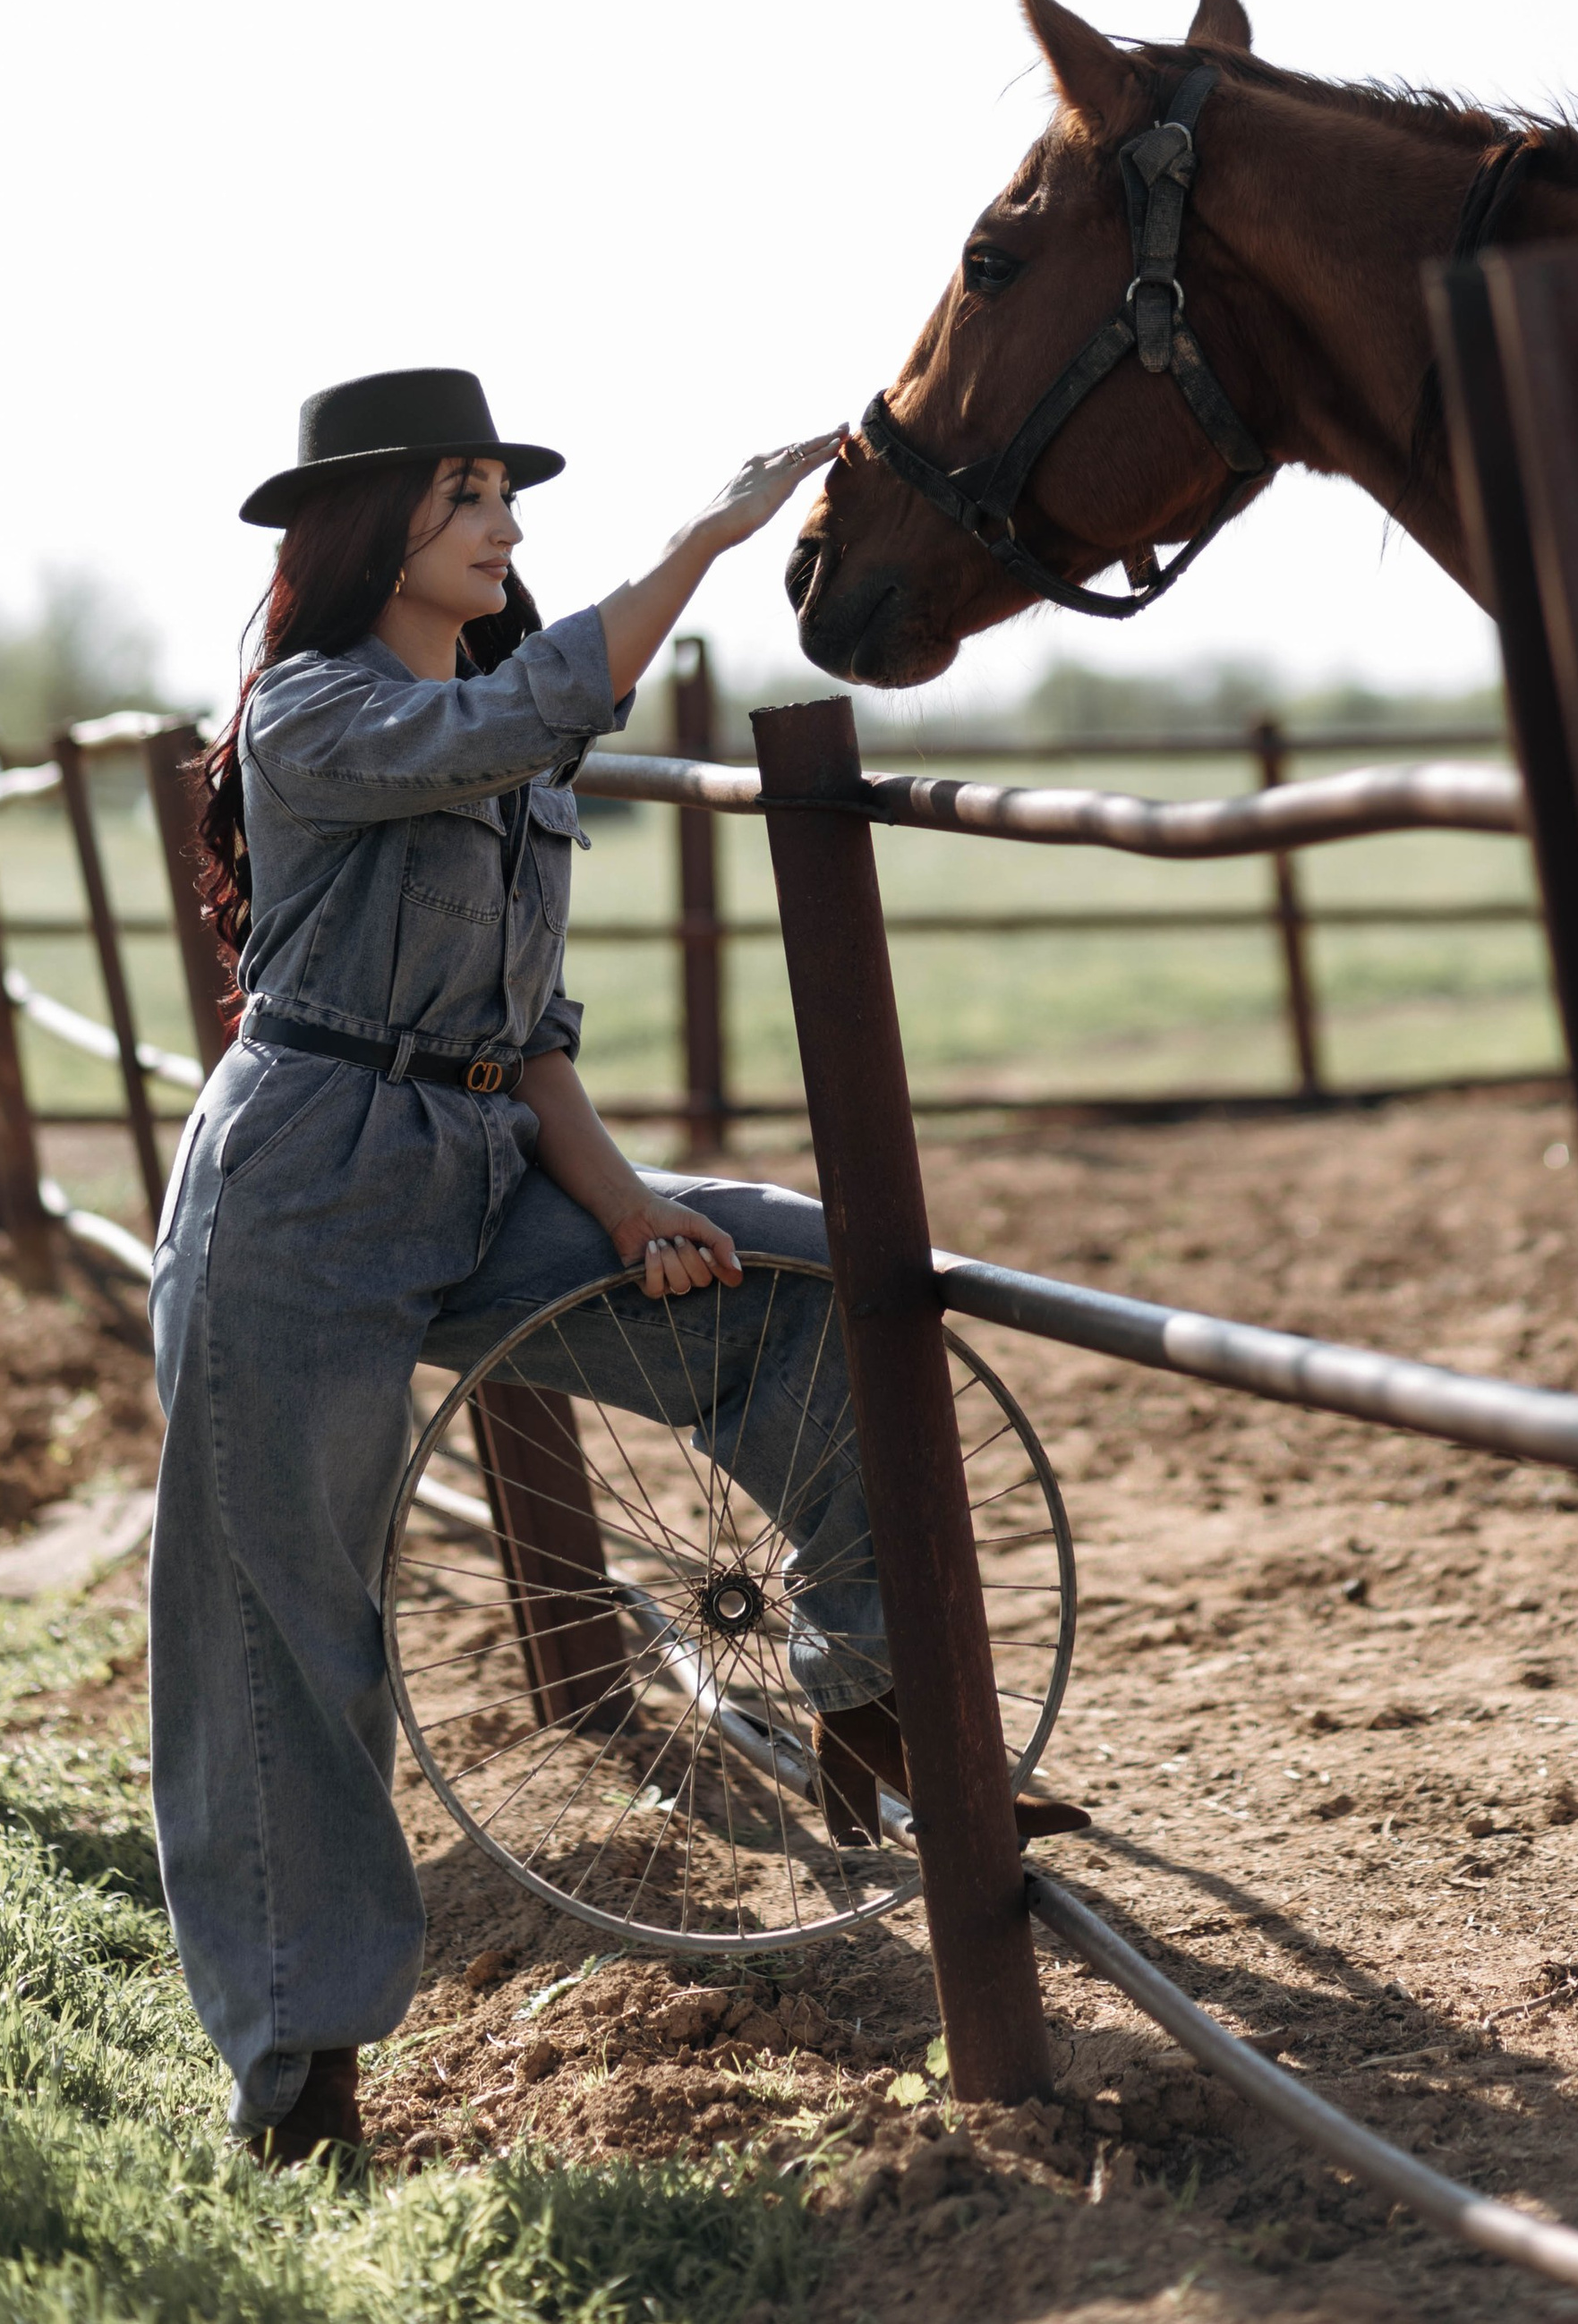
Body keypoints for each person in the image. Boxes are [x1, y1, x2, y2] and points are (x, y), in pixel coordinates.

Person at [151, 366, 1064, 2174]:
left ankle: (868, 1703)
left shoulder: (494, 723)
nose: (502, 522)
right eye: (466, 494)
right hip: (303, 1192)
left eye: (506, 490)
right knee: (285, 1630)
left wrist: (633, 1204)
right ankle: (299, 2078)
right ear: (369, 533)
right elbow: (553, 703)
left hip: (486, 1157)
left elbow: (525, 1027)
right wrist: (704, 540)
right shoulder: (321, 714)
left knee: (803, 1288)